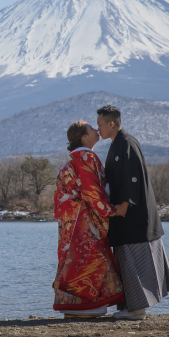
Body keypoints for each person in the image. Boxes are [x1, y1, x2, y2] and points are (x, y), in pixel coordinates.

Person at [96, 105, 169, 321]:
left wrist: (122, 207)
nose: (98, 129)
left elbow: (132, 178)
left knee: (136, 261)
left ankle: (136, 309)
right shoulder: (116, 144)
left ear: (111, 123)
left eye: (100, 124)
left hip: (134, 217)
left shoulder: (127, 143)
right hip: (125, 220)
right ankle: (132, 307)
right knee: (127, 261)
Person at [53, 120, 127, 318]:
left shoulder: (77, 159)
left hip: (71, 219)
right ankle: (86, 306)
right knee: (88, 259)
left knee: (73, 258)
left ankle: (73, 305)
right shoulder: (85, 157)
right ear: (84, 137)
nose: (96, 130)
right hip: (82, 220)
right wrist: (112, 210)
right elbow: (91, 192)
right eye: (92, 129)